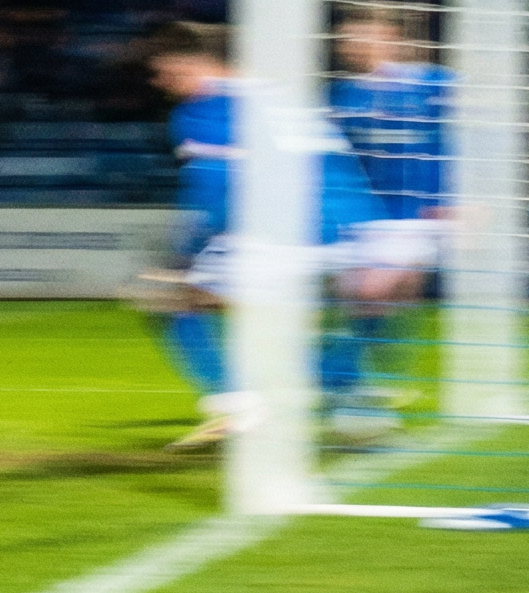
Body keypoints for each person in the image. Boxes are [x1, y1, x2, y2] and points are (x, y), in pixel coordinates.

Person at [135, 22, 396, 451]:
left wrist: (182, 256)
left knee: (164, 297)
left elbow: (214, 186)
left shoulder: (205, 105)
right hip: (345, 231)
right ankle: (351, 401)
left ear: (189, 62)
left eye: (162, 70)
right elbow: (338, 164)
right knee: (275, 323)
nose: (159, 82)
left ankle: (242, 408)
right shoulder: (284, 95)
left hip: (281, 236)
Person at [324, 11, 452, 414]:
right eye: (344, 38)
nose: (349, 45)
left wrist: (460, 198)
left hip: (418, 216)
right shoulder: (343, 95)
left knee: (371, 293)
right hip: (362, 216)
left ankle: (332, 377)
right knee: (369, 303)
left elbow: (468, 135)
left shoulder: (432, 83)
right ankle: (361, 383)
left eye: (359, 34)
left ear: (389, 36)